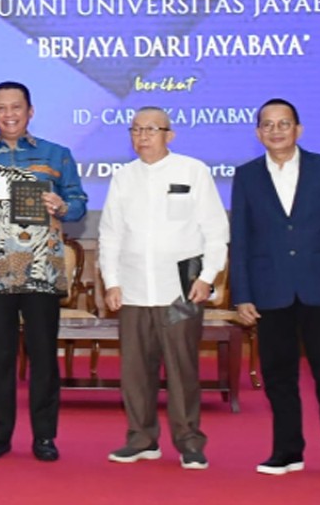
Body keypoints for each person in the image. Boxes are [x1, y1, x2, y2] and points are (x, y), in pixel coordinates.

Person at [0, 81, 88, 462]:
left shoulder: (57, 155)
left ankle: (44, 437)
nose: (9, 114)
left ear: (30, 111)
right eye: (1, 108)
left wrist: (63, 205)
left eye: (16, 107)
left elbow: (78, 203)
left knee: (43, 357)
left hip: (41, 271)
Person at [230, 98, 320, 480]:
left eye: (283, 124)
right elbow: (240, 237)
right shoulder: (247, 175)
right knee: (278, 375)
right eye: (268, 125)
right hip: (269, 289)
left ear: (298, 130)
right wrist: (242, 293)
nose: (276, 131)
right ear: (258, 133)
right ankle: (287, 451)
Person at [97, 107, 228, 470]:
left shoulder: (193, 171)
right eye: (136, 130)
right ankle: (141, 439)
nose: (142, 136)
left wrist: (207, 276)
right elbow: (110, 234)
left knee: (182, 366)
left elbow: (216, 231)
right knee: (136, 371)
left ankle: (189, 442)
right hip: (134, 287)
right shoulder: (123, 177)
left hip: (182, 288)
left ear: (169, 135)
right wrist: (112, 282)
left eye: (151, 129)